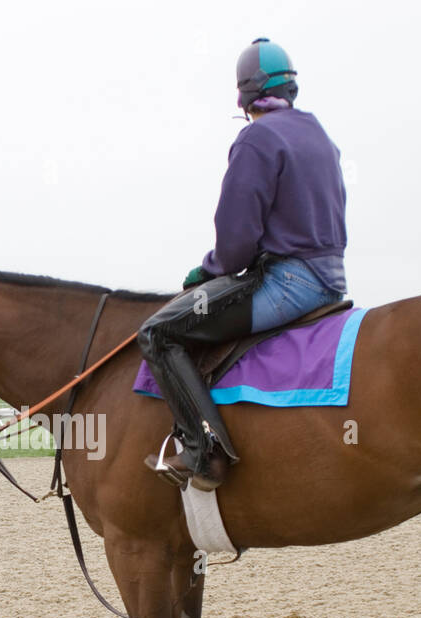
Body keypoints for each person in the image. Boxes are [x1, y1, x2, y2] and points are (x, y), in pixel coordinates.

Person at [139, 37, 348, 491]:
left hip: (289, 282)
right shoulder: (319, 135)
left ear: (245, 96)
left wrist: (208, 270)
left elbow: (235, 246)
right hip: (332, 279)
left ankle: (204, 452)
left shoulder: (256, 138)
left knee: (158, 332)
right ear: (291, 89)